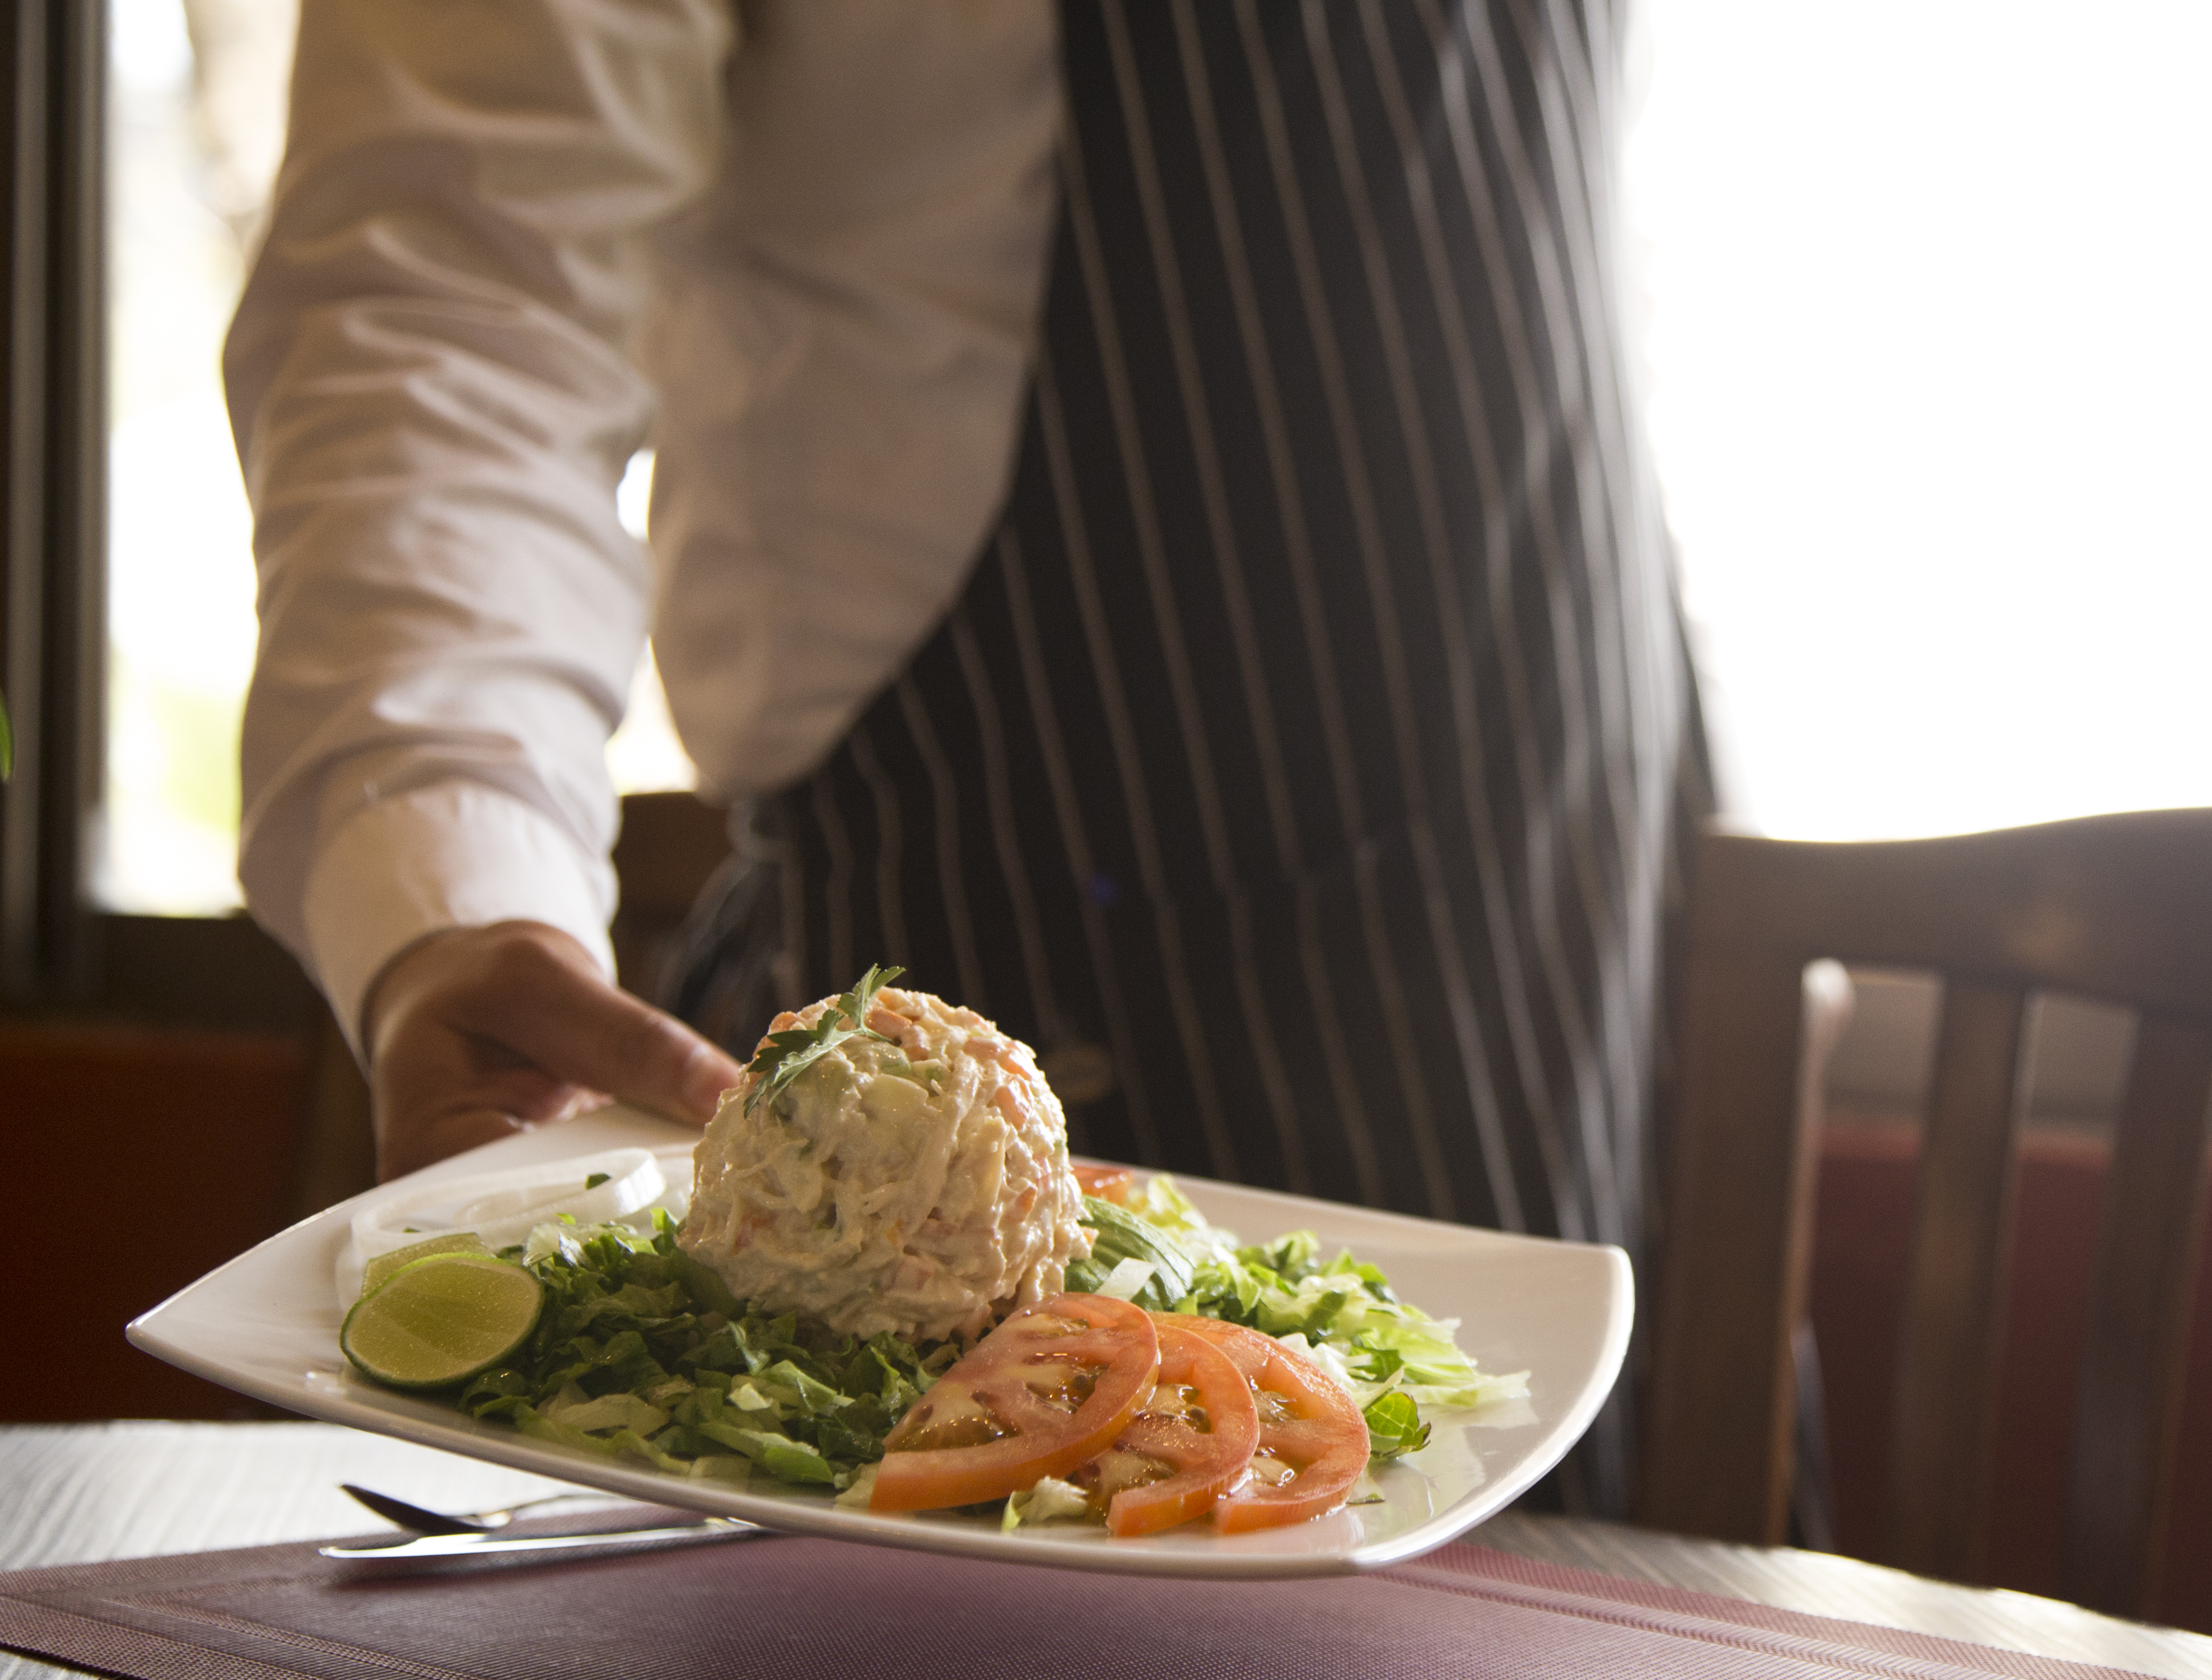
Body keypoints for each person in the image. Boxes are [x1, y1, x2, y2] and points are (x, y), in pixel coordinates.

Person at [231, 0, 1709, 1508]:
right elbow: (455, 296)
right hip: (1036, 865)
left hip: (1570, 832)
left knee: (1583, 1592)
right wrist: (453, 867)